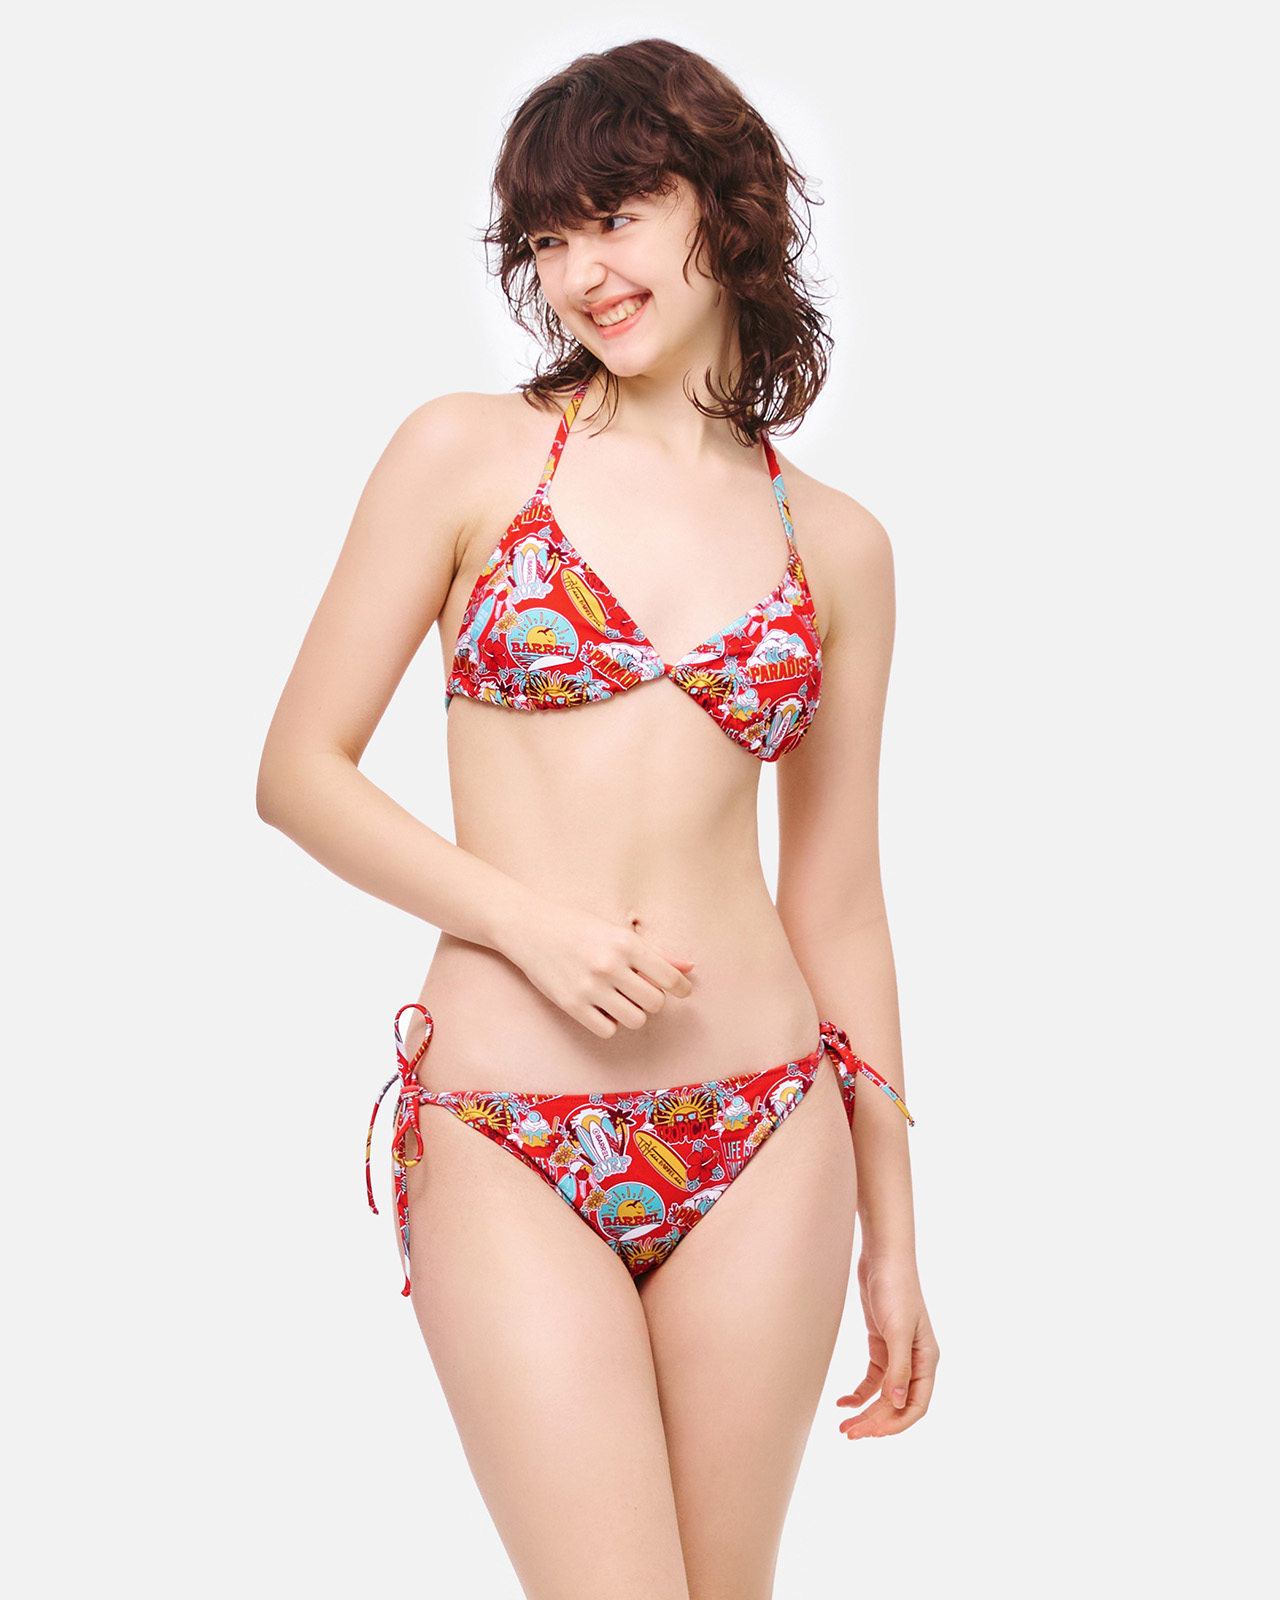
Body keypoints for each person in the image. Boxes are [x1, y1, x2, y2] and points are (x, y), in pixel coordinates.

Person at [257, 35, 939, 1600]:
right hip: (506, 1125)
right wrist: (531, 927)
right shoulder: (468, 455)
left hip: (768, 1129)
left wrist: (895, 1231)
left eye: (618, 217)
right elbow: (298, 768)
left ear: (725, 208)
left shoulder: (837, 545)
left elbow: (839, 900)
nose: (581, 273)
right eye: (550, 239)